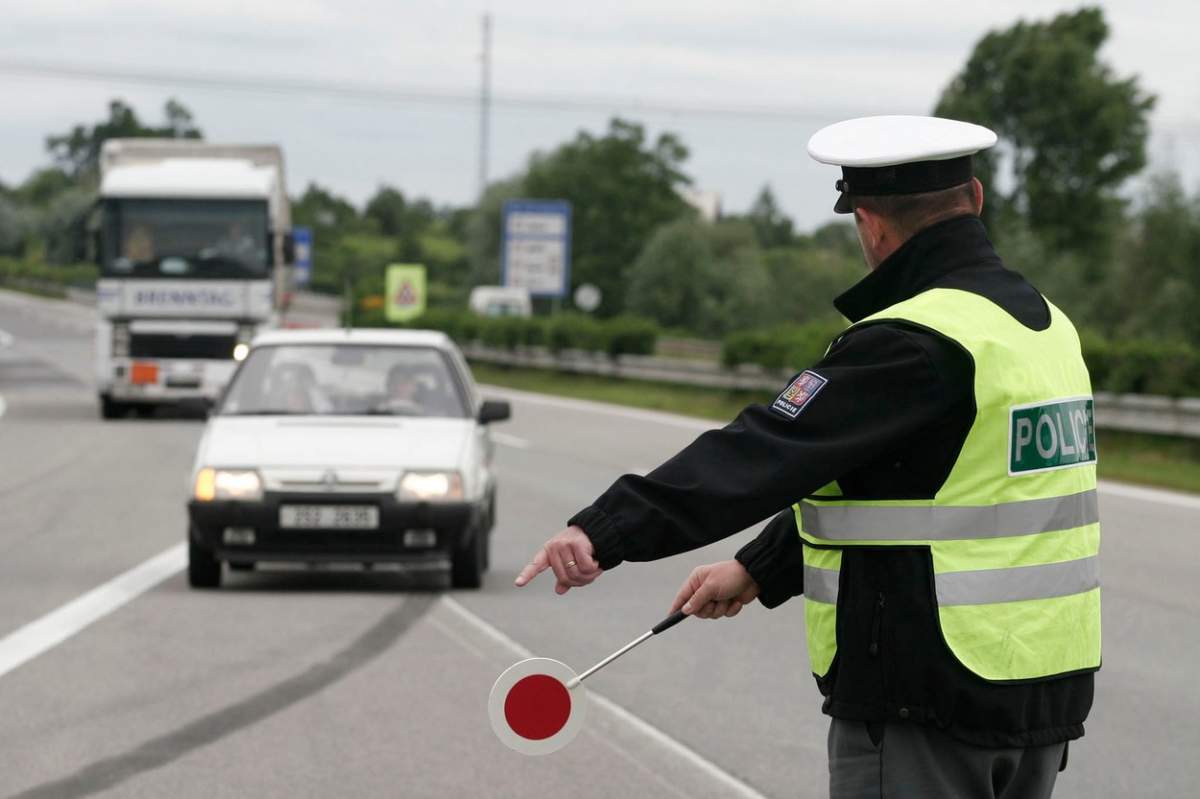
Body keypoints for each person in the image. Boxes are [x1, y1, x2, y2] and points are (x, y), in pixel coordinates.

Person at [514, 116, 1100, 799]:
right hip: (1042, 695)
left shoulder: (912, 341)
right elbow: (929, 495)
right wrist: (757, 566)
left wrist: (603, 529)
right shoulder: (1046, 329)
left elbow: (763, 449)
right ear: (974, 198)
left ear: (870, 223)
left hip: (928, 696)